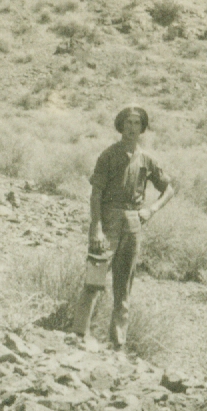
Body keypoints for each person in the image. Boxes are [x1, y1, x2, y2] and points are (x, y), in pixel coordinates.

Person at [73, 105, 174, 349]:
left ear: (142, 128)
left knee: (124, 286)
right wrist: (96, 229)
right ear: (120, 125)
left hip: (133, 223)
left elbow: (168, 189)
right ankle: (78, 336)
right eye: (127, 122)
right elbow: (95, 195)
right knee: (94, 280)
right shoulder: (108, 155)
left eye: (137, 123)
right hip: (108, 220)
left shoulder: (147, 159)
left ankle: (117, 344)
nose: (132, 128)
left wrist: (151, 209)